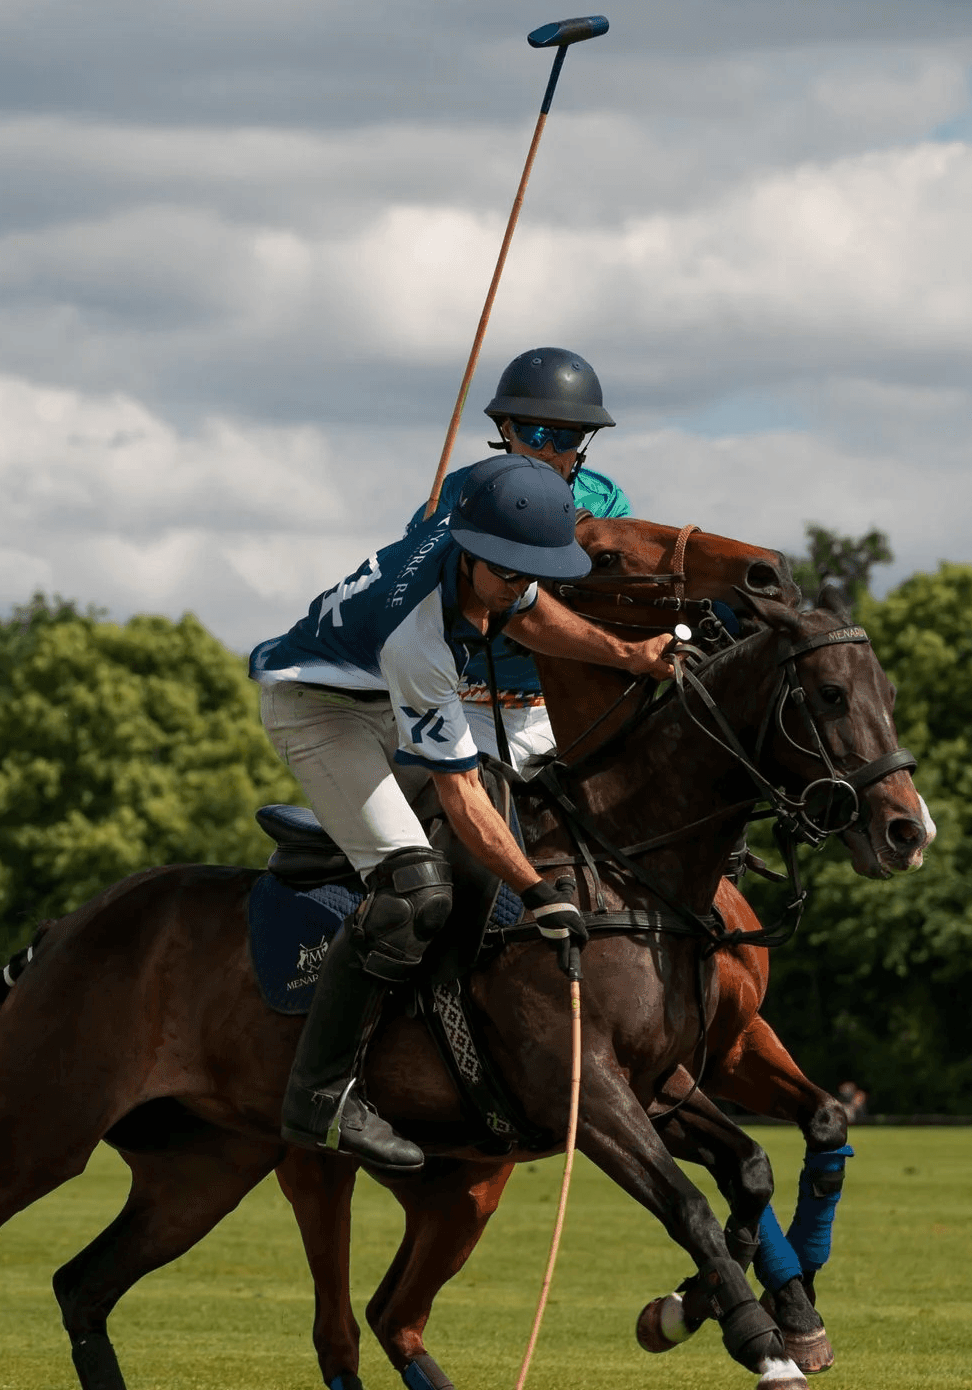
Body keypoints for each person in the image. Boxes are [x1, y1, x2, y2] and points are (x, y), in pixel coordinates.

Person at [249, 453, 673, 1170]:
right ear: (473, 553)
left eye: (529, 571)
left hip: (375, 694)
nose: (520, 586)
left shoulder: (480, 551)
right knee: (413, 888)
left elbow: (530, 614)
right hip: (318, 708)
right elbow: (461, 793)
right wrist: (538, 894)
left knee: (484, 836)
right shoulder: (418, 634)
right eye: (508, 571)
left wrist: (628, 655)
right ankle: (319, 1097)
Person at [438, 347, 633, 776]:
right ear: (507, 428)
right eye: (535, 431)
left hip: (566, 705)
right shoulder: (459, 491)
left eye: (566, 437)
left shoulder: (607, 502)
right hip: (465, 703)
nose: (548, 450)